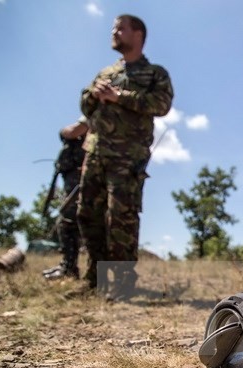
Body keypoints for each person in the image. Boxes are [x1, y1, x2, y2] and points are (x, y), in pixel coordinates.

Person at [77, 14, 173, 301]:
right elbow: (85, 106)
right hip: (94, 153)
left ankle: (122, 282)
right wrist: (95, 95)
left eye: (121, 28)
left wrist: (120, 96)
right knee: (87, 215)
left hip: (127, 157)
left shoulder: (154, 73)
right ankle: (95, 280)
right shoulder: (105, 72)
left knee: (121, 219)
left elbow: (162, 104)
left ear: (138, 34)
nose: (115, 32)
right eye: (114, 28)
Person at [42, 118, 88, 280]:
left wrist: (64, 131)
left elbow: (71, 132)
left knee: (69, 220)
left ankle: (71, 268)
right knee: (68, 221)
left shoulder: (94, 119)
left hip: (83, 179)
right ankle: (68, 266)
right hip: (73, 178)